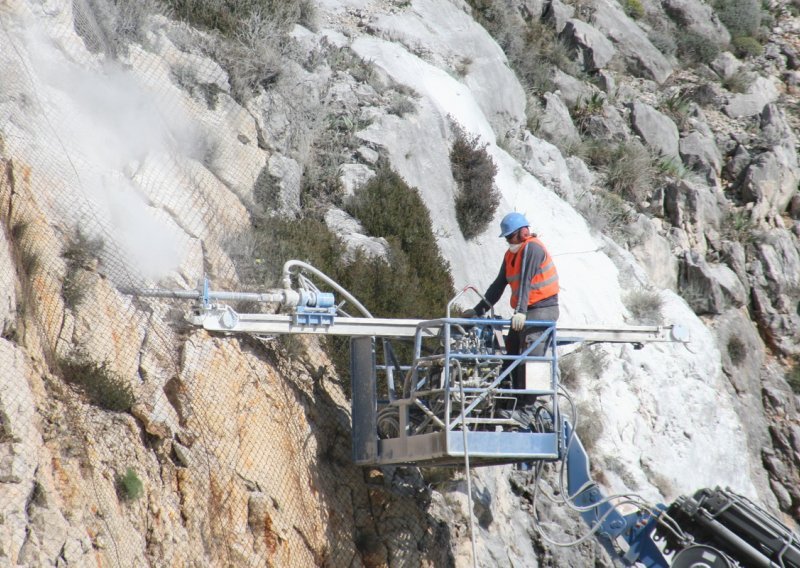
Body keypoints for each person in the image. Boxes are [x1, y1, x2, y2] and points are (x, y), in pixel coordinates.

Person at [463, 212, 559, 425]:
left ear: (523, 233)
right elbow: (498, 286)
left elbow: (525, 281)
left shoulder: (532, 248)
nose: (508, 241)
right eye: (506, 238)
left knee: (532, 356)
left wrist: (521, 311)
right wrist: (478, 311)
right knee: (513, 352)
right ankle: (513, 404)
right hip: (525, 310)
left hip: (543, 309)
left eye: (510, 237)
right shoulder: (511, 255)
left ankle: (526, 411)